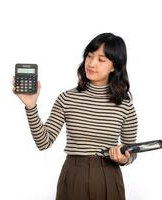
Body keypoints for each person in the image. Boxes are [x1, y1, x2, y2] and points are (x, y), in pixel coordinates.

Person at [12, 32, 138, 200]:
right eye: (89, 56)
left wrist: (123, 159)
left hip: (109, 175)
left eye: (101, 59)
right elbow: (43, 142)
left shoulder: (125, 106)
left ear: (115, 66)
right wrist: (31, 106)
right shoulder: (67, 98)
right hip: (73, 175)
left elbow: (132, 152)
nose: (92, 63)